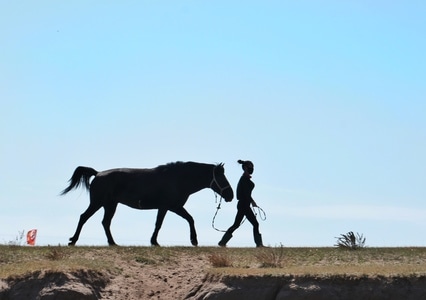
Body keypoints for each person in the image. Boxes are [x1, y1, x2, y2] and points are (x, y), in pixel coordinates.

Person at [218, 160, 264, 247]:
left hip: (244, 204)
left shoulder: (245, 179)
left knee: (237, 224)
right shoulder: (244, 179)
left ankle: (223, 242)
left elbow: (247, 194)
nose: (252, 169)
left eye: (252, 167)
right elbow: (245, 194)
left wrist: (251, 201)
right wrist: (252, 201)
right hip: (243, 205)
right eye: (250, 167)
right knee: (254, 223)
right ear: (245, 168)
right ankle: (259, 244)